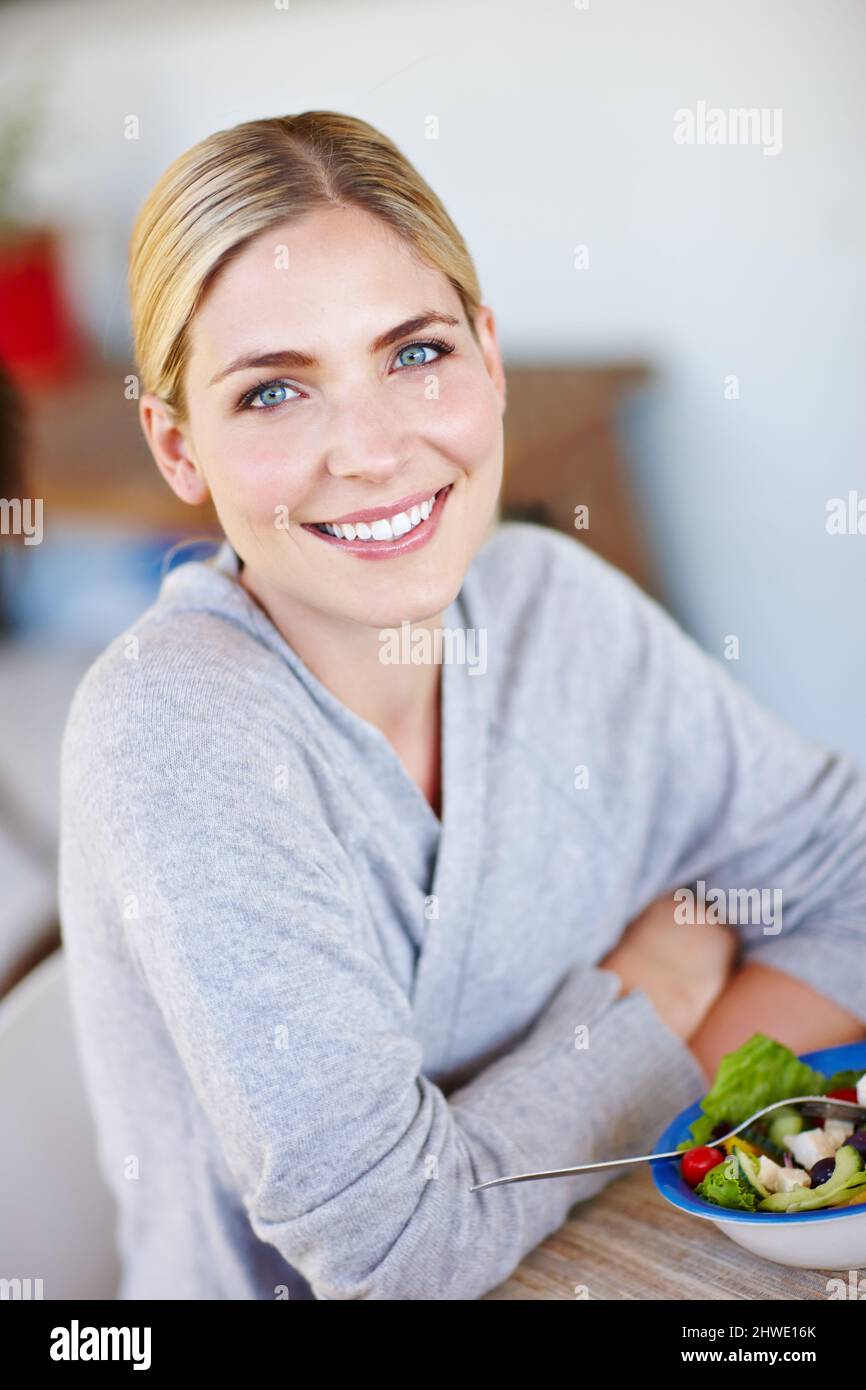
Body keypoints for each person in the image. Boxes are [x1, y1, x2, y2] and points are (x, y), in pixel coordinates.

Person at [58, 111, 866, 1301]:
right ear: (180, 448)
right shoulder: (175, 732)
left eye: (414, 354)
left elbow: (843, 872)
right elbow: (398, 1254)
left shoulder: (550, 601)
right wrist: (650, 999)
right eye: (276, 391)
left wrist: (650, 1070)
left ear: (487, 358)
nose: (373, 450)